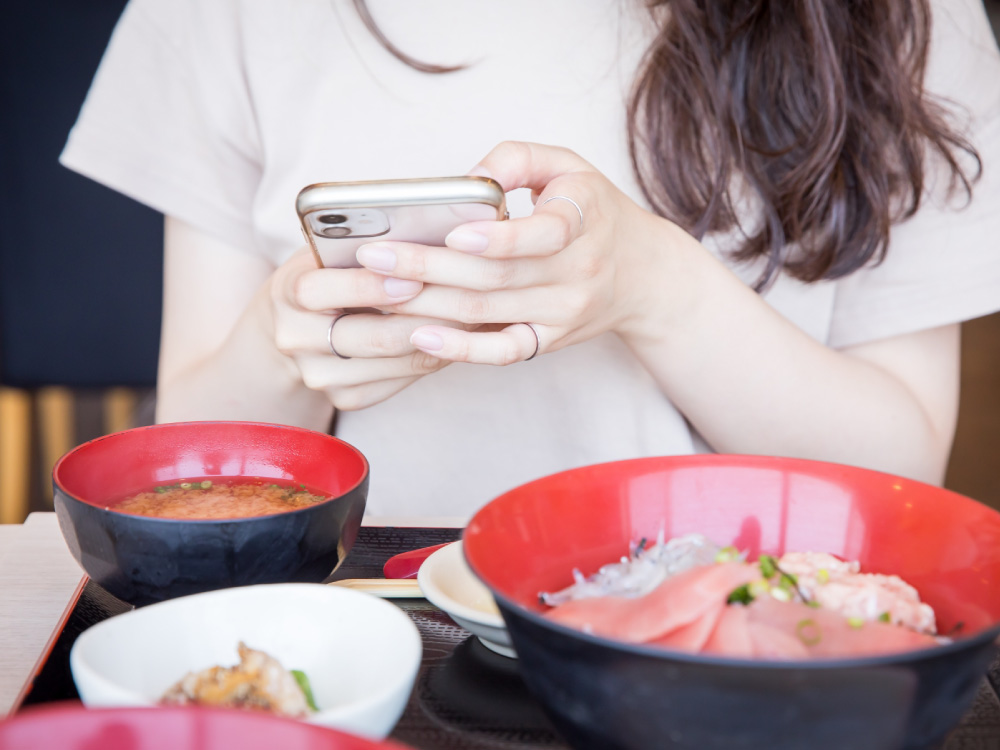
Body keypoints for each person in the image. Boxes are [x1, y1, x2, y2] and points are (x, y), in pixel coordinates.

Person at [60, 0, 1000, 518]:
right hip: (371, 628)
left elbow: (902, 477)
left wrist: (654, 287)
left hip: (746, 640)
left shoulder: (902, 19)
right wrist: (281, 344)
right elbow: (187, 463)